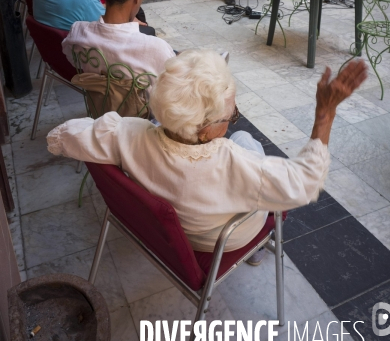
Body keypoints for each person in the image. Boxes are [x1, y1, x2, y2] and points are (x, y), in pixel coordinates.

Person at [46, 49, 367, 263]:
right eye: (230, 115)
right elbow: (307, 181)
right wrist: (325, 114)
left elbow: (68, 134)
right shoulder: (234, 163)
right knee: (245, 141)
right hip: (224, 238)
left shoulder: (126, 133)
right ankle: (255, 249)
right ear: (203, 130)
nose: (231, 120)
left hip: (167, 231)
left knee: (241, 138)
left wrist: (57, 141)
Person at [62, 0, 175, 84]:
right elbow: (172, 88)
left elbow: (73, 60)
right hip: (145, 104)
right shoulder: (157, 48)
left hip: (99, 102)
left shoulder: (78, 31)